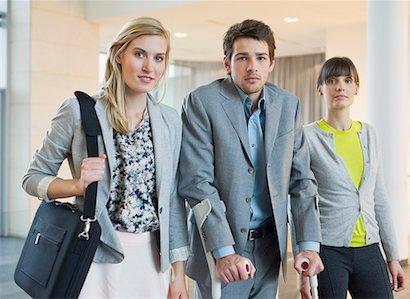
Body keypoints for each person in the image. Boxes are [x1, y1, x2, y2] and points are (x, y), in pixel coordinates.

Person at [22, 17, 189, 299]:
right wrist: (77, 186)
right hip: (94, 254)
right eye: (139, 54)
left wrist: (179, 274)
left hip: (151, 260)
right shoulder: (78, 110)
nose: (150, 67)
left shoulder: (170, 120)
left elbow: (172, 201)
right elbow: (32, 179)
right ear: (118, 54)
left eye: (158, 58)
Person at [178, 19, 323, 299]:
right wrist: (224, 252)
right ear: (227, 63)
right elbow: (197, 182)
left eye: (260, 57)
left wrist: (308, 244)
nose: (252, 66)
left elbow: (302, 179)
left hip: (271, 247)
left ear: (271, 63)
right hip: (223, 248)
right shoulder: (202, 102)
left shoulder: (288, 104)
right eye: (242, 57)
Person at [300, 57, 406, 299]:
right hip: (327, 250)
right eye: (332, 80)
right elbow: (300, 203)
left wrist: (393, 257)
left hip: (369, 247)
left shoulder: (369, 134)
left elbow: (379, 198)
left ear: (356, 87)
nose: (340, 87)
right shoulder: (307, 137)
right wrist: (304, 268)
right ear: (320, 88)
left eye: (347, 80)